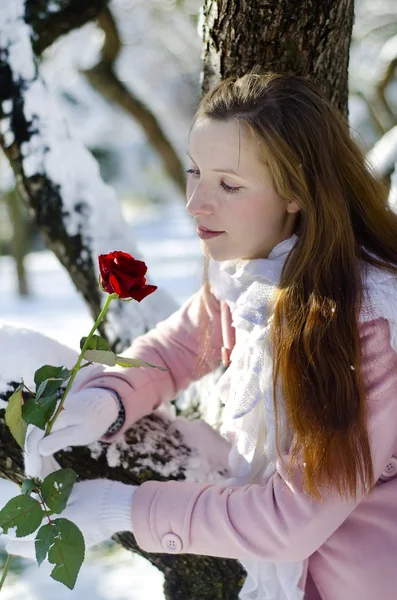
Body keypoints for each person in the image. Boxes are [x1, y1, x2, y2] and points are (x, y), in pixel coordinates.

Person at [8, 72, 397, 600]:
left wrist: (124, 508)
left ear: (296, 193)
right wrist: (106, 400)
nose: (195, 203)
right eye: (195, 172)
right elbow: (180, 346)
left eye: (228, 185)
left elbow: (292, 520)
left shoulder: (369, 323)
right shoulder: (252, 271)